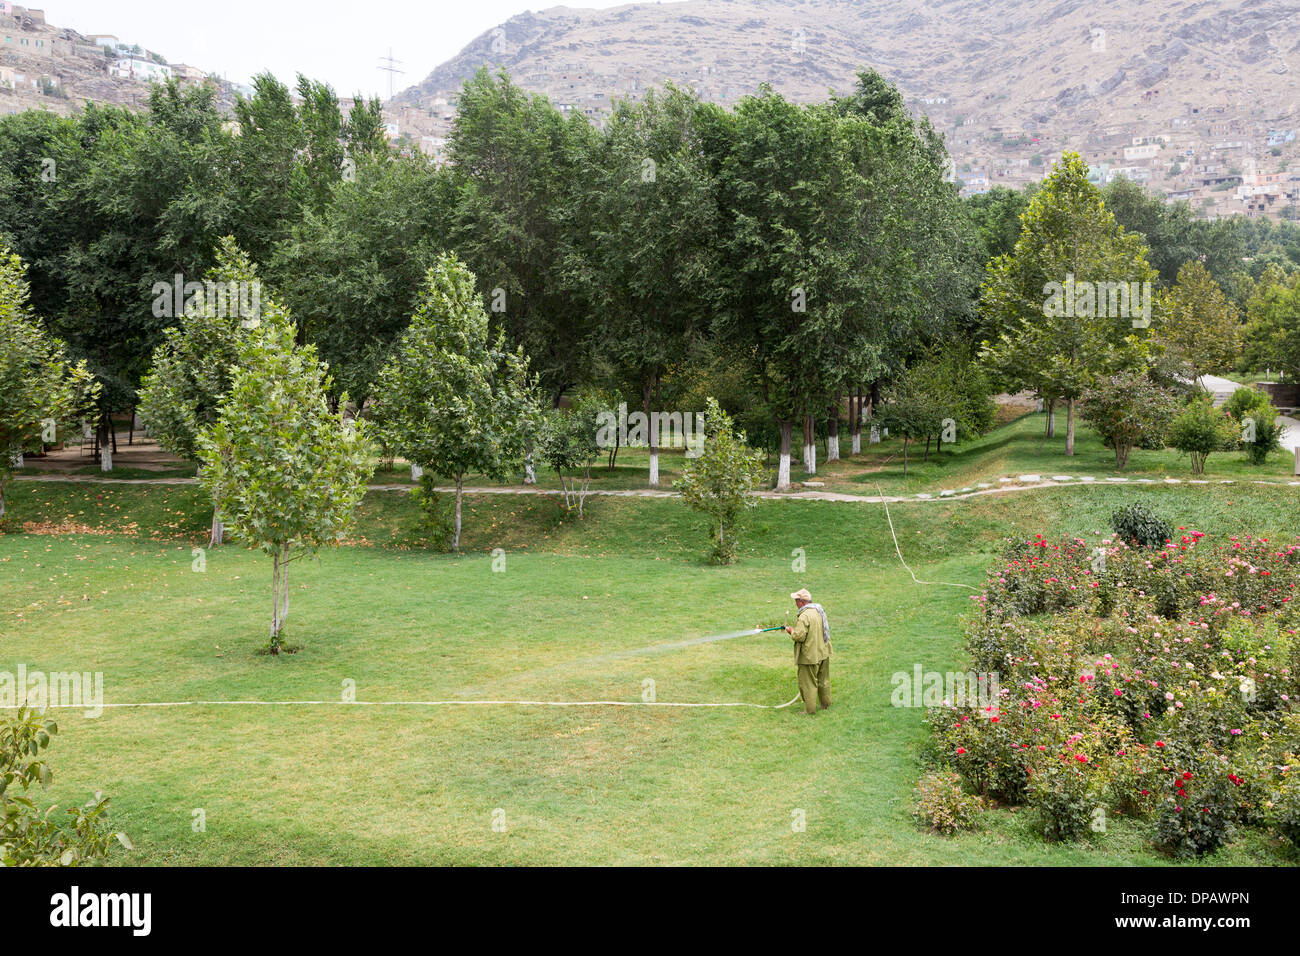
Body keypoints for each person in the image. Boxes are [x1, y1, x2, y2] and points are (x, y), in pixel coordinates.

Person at [783, 588, 831, 714]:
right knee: (823, 680)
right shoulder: (818, 610)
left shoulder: (804, 616)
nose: (795, 603)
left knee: (808, 683)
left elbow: (799, 636)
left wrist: (791, 631)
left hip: (810, 656)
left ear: (802, 602)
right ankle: (826, 704)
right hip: (823, 652)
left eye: (796, 600)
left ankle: (809, 711)